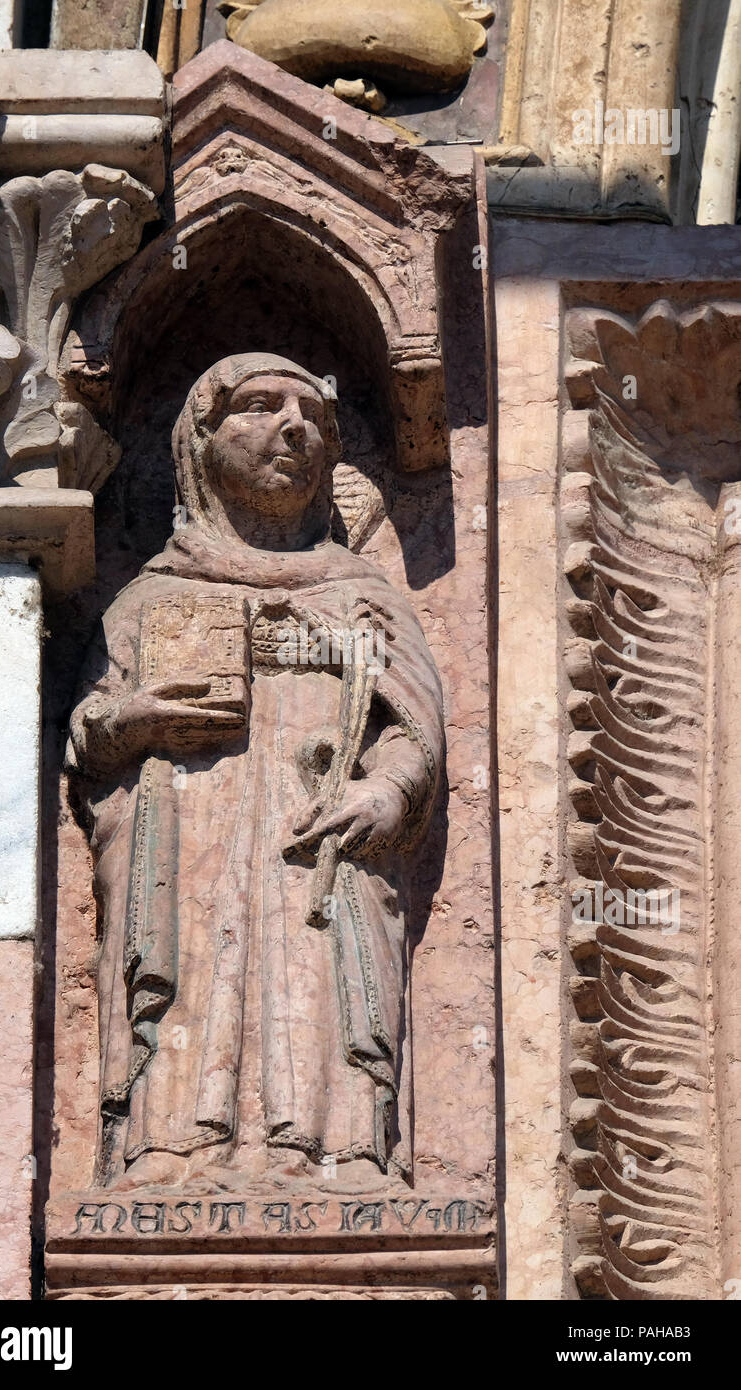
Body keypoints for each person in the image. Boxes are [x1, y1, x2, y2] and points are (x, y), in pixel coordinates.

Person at [68, 353, 445, 1191]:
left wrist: (385, 792)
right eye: (261, 406)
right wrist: (134, 721)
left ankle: (343, 1155)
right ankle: (166, 1153)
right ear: (201, 440)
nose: (292, 427)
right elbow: (89, 733)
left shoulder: (360, 594)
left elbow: (413, 723)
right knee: (189, 963)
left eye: (311, 415)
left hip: (320, 839)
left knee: (321, 973)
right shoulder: (151, 596)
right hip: (185, 837)